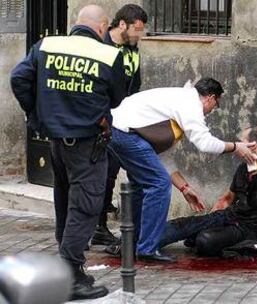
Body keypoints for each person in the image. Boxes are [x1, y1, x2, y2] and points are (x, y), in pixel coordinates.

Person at [10, 5, 126, 300]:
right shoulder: (108, 54)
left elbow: (18, 79)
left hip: (56, 142)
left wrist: (36, 115)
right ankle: (70, 276)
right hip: (87, 143)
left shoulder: (46, 45)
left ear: (76, 24)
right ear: (101, 27)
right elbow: (117, 98)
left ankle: (69, 269)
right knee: (85, 207)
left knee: (64, 200)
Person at [106, 78, 257, 262]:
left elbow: (162, 158)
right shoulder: (190, 104)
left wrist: (184, 188)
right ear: (210, 98)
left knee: (140, 184)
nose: (210, 112)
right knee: (159, 185)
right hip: (124, 132)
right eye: (215, 106)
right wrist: (235, 147)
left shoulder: (177, 103)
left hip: (117, 130)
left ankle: (132, 243)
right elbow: (204, 143)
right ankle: (146, 249)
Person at [158, 126, 257, 257]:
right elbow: (227, 199)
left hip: (250, 231)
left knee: (204, 240)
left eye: (242, 143)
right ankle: (143, 241)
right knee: (186, 225)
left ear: (252, 146)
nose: (238, 147)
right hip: (231, 217)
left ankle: (214, 241)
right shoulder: (244, 169)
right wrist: (208, 220)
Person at [91, 3, 148, 248]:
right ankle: (93, 226)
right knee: (97, 175)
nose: (139, 35)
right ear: (122, 24)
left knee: (110, 173)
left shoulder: (132, 50)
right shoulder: (100, 47)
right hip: (99, 119)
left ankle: (100, 226)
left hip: (122, 120)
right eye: (136, 29)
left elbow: (135, 84)